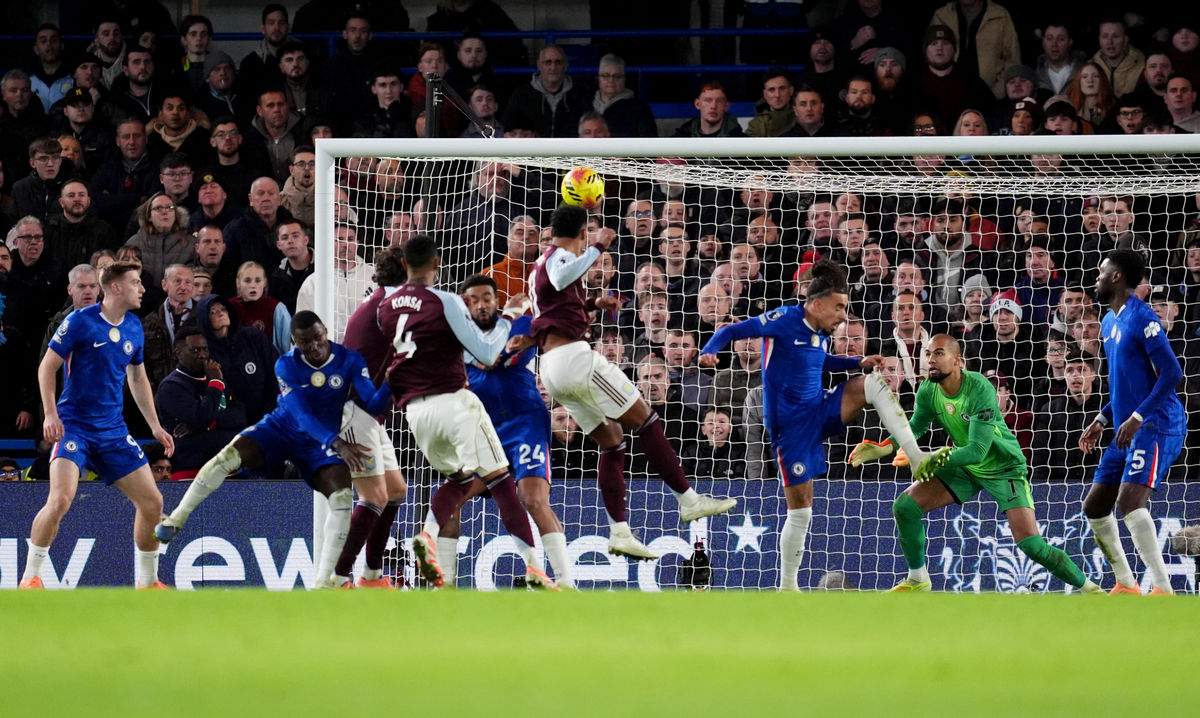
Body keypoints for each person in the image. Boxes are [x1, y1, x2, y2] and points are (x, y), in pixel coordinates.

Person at [510, 205, 737, 561]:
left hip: (553, 368)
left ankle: (620, 532)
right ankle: (689, 500)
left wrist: (592, 302)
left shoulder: (539, 265)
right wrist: (598, 246)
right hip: (575, 359)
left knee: (613, 442)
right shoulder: (558, 257)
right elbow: (562, 276)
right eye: (587, 236)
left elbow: (555, 302)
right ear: (582, 233)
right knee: (647, 420)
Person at [700, 259, 937, 591]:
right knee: (801, 513)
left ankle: (915, 456)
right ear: (816, 304)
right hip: (790, 430)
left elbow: (820, 360)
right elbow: (730, 331)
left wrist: (857, 361)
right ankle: (788, 587)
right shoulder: (784, 319)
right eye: (838, 307)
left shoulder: (822, 333)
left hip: (819, 408)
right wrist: (709, 351)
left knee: (871, 383)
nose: (842, 315)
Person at [156, 310, 392, 589]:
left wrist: (390, 384)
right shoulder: (286, 364)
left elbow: (373, 404)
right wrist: (339, 443)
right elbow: (302, 415)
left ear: (326, 331)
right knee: (227, 456)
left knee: (342, 498)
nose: (315, 347)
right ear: (295, 342)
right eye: (305, 342)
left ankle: (323, 585)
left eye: (318, 338)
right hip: (282, 430)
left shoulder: (349, 360)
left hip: (317, 443)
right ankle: (177, 518)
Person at [852, 334, 1102, 594]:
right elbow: (916, 426)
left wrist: (933, 457)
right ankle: (918, 579)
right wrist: (885, 447)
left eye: (939, 353)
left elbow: (978, 451)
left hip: (1003, 467)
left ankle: (1090, 589)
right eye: (927, 354)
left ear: (958, 360)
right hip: (965, 465)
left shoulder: (979, 388)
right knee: (905, 507)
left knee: (1031, 545)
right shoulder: (928, 389)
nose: (930, 359)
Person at [377, 234, 557, 590]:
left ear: (403, 265)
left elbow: (392, 365)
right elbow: (488, 352)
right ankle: (536, 569)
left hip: (416, 414)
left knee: (459, 481)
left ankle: (429, 542)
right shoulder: (445, 301)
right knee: (502, 481)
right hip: (454, 403)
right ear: (437, 264)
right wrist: (510, 314)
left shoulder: (386, 307)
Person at [19, 261, 174, 590]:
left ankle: (148, 582)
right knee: (61, 499)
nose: (142, 289)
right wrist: (50, 414)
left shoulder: (134, 326)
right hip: (74, 427)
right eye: (135, 282)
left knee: (153, 503)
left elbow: (137, 378)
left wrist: (155, 426)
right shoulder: (80, 321)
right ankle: (30, 577)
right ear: (115, 287)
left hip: (113, 431)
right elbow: (47, 367)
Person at [429, 274, 575, 589]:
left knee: (533, 498)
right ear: (465, 304)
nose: (482, 305)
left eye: (487, 298)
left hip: (524, 423)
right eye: (474, 299)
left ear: (497, 301)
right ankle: (446, 588)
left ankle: (566, 583)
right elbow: (480, 358)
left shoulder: (520, 324)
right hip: (481, 430)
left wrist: (480, 354)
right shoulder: (457, 337)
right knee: (452, 500)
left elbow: (493, 357)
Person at [1078, 250, 1187, 595]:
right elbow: (1127, 384)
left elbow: (1172, 374)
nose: (1096, 278)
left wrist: (1138, 417)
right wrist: (1102, 418)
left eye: (1101, 272)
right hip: (1128, 426)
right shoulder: (1109, 322)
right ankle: (1126, 584)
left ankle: (1163, 589)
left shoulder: (1143, 318)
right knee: (1095, 506)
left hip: (1157, 424)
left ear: (1117, 276)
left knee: (1128, 503)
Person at [332, 246, 410, 589]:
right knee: (374, 496)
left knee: (395, 490)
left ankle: (372, 577)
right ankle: (337, 578)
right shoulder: (389, 307)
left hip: (368, 414)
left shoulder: (382, 302)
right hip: (351, 411)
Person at [155, 325, 248, 474]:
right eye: (195, 350)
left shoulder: (214, 377)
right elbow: (202, 417)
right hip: (192, 468)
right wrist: (216, 384)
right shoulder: (171, 386)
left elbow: (240, 415)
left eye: (205, 349)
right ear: (178, 353)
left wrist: (206, 424)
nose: (202, 355)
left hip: (227, 466)